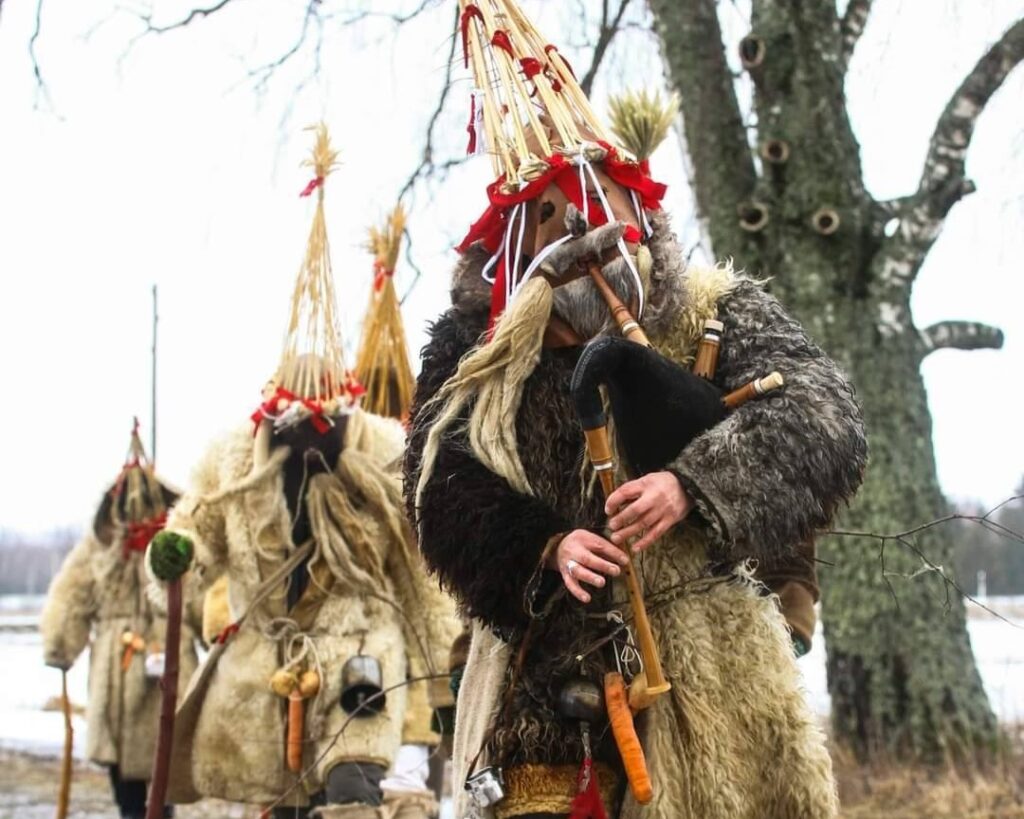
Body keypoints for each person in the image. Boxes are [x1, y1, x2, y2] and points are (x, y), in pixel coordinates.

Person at [404, 4, 868, 817]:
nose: (585, 235)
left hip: (713, 666)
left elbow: (825, 417)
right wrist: (542, 547)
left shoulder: (711, 311)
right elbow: (435, 485)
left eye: (602, 212)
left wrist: (694, 483)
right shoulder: (476, 353)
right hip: (539, 672)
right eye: (553, 220)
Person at [148, 125, 458, 819]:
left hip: (358, 645)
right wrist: (176, 553)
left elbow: (419, 560)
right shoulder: (233, 457)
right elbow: (195, 528)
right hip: (262, 661)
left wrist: (447, 663)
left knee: (353, 785)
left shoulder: (383, 449)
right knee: (277, 802)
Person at [41, 420, 200, 819]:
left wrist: (218, 628)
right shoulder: (99, 547)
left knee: (165, 765)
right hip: (117, 672)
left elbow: (203, 592)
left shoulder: (180, 543)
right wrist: (60, 643)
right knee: (128, 789)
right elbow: (72, 595)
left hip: (168, 663)